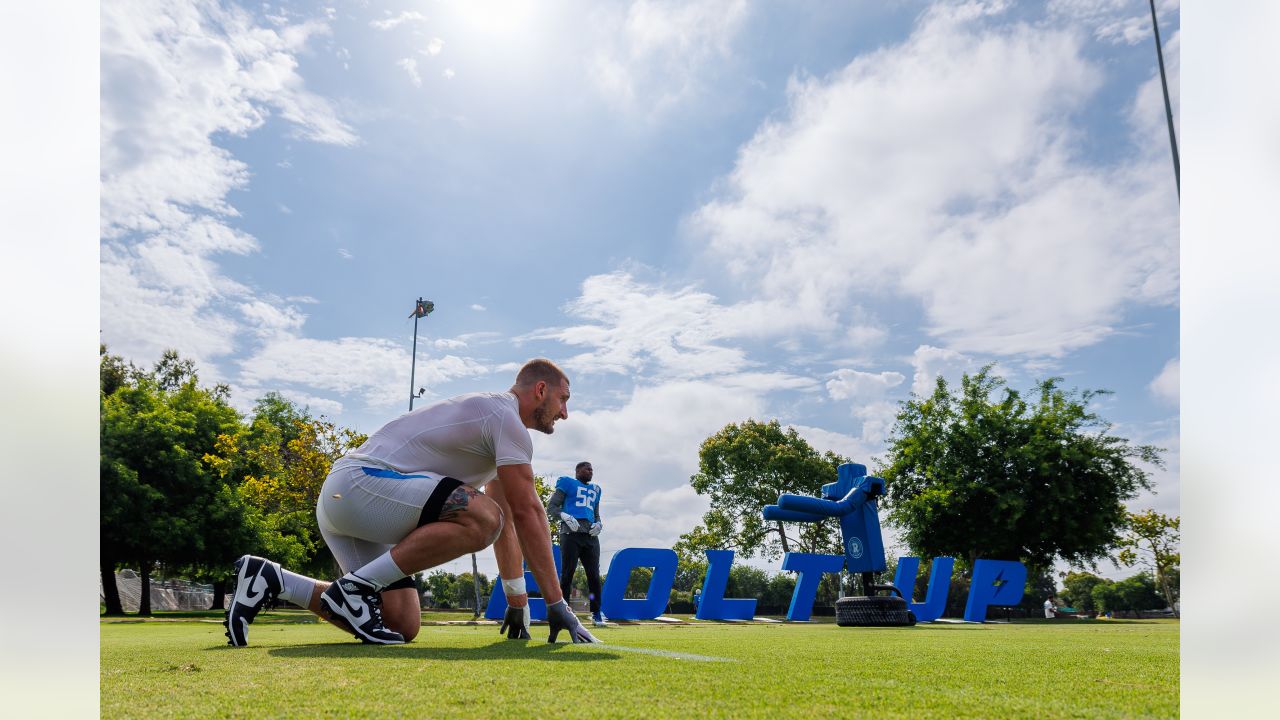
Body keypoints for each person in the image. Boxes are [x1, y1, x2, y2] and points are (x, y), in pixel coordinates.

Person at [223, 359, 598, 647]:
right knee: (484, 517)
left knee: (402, 624)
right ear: (541, 389)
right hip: (361, 485)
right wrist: (557, 604)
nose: (565, 412)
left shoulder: (500, 436)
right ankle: (353, 588)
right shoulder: (505, 418)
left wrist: (517, 602)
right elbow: (527, 512)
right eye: (563, 399)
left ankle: (274, 580)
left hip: (350, 503)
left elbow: (509, 528)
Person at [546, 461, 605, 626]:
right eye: (587, 468)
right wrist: (565, 516)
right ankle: (564, 613)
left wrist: (599, 524)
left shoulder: (596, 489)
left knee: (593, 575)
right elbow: (551, 508)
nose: (591, 471)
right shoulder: (567, 482)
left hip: (590, 536)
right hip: (570, 534)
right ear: (578, 470)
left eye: (592, 469)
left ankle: (596, 612)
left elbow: (596, 514)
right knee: (567, 574)